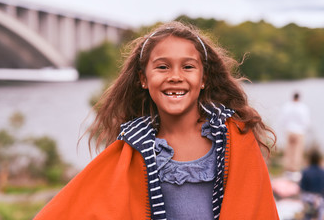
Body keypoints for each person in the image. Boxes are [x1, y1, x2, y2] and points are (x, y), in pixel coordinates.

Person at [34, 21, 279, 219]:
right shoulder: (131, 150)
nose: (175, 76)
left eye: (188, 67)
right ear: (143, 78)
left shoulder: (236, 137)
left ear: (204, 78)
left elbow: (256, 210)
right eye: (162, 67)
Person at [281, 92, 311, 173]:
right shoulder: (303, 107)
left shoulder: (287, 106)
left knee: (289, 151)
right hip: (299, 131)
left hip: (289, 130)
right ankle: (295, 170)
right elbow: (306, 121)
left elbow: (283, 119)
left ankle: (288, 169)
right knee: (297, 152)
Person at [300, 149, 324, 220]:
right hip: (319, 199)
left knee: (307, 217)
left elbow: (302, 188)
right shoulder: (322, 172)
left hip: (308, 199)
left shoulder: (306, 171)